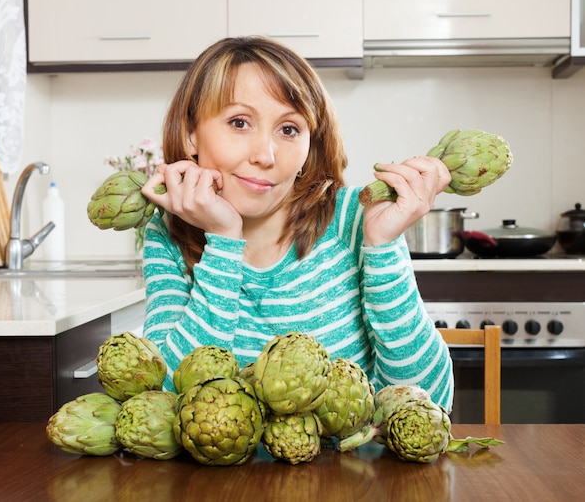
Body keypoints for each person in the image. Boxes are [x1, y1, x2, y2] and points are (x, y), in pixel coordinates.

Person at [141, 36, 454, 409]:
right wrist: (224, 240)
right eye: (239, 123)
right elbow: (161, 400)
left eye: (288, 129)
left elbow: (430, 402)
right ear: (191, 133)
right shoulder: (168, 233)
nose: (265, 155)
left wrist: (383, 247)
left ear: (310, 146)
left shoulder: (357, 218)